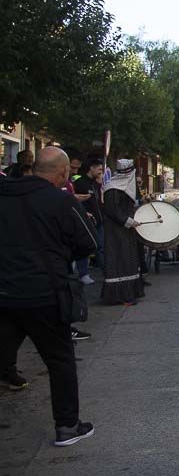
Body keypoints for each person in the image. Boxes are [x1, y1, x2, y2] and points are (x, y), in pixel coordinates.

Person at [0, 147, 98, 443]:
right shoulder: (61, 201)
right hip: (44, 293)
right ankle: (67, 426)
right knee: (60, 361)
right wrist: (60, 253)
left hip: (4, 292)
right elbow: (89, 243)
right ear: (62, 173)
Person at [100, 159, 146, 306]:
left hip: (126, 229)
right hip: (115, 229)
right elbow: (112, 210)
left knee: (129, 258)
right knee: (119, 258)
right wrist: (128, 221)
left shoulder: (125, 186)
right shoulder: (112, 187)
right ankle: (119, 296)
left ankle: (129, 293)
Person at [71, 159, 105, 283]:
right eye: (100, 169)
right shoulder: (80, 183)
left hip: (99, 220)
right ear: (92, 168)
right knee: (85, 246)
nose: (101, 172)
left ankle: (107, 272)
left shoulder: (95, 184)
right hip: (87, 220)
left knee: (100, 247)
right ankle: (83, 273)